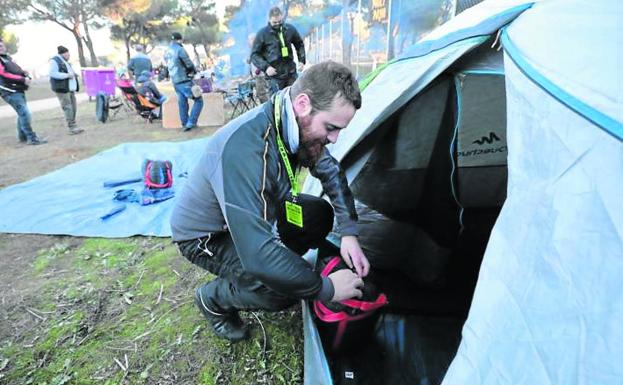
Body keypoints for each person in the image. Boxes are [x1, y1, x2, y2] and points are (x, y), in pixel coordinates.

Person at [171, 61, 370, 342]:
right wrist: (326, 288)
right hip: (208, 236)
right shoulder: (248, 150)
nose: (334, 139)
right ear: (303, 104)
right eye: (330, 127)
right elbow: (259, 256)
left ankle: (283, 265)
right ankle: (212, 299)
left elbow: (331, 172)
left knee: (319, 214)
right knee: (281, 289)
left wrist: (349, 232)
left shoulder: (290, 118)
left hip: (262, 212)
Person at [251, 7, 306, 96]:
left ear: (282, 18)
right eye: (274, 23)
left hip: (291, 72)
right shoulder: (262, 34)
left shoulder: (290, 29)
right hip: (274, 75)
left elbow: (299, 44)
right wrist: (266, 67)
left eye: (279, 22)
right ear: (269, 20)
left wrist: (301, 60)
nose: (277, 24)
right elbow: (254, 55)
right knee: (277, 103)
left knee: (296, 97)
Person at [0, 38, 46, 145]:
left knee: (22, 114)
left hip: (18, 89)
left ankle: (23, 137)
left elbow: (15, 70)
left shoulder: (7, 58)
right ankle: (31, 138)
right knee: (25, 114)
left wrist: (24, 74)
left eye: (1, 46)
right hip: (9, 91)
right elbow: (4, 74)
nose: (1, 48)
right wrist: (22, 79)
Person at [164, 32, 203, 131]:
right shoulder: (180, 49)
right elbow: (188, 63)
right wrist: (194, 71)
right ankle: (191, 122)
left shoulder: (167, 51)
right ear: (179, 40)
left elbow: (167, 66)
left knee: (182, 102)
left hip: (175, 81)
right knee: (199, 100)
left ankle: (185, 123)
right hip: (184, 79)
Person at [49, 45, 83, 135]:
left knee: (73, 107)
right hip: (62, 88)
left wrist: (73, 74)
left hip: (70, 88)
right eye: (68, 54)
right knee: (68, 107)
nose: (69, 56)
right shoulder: (54, 61)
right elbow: (53, 73)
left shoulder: (64, 62)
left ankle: (74, 125)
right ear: (64, 53)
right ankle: (72, 127)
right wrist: (67, 75)